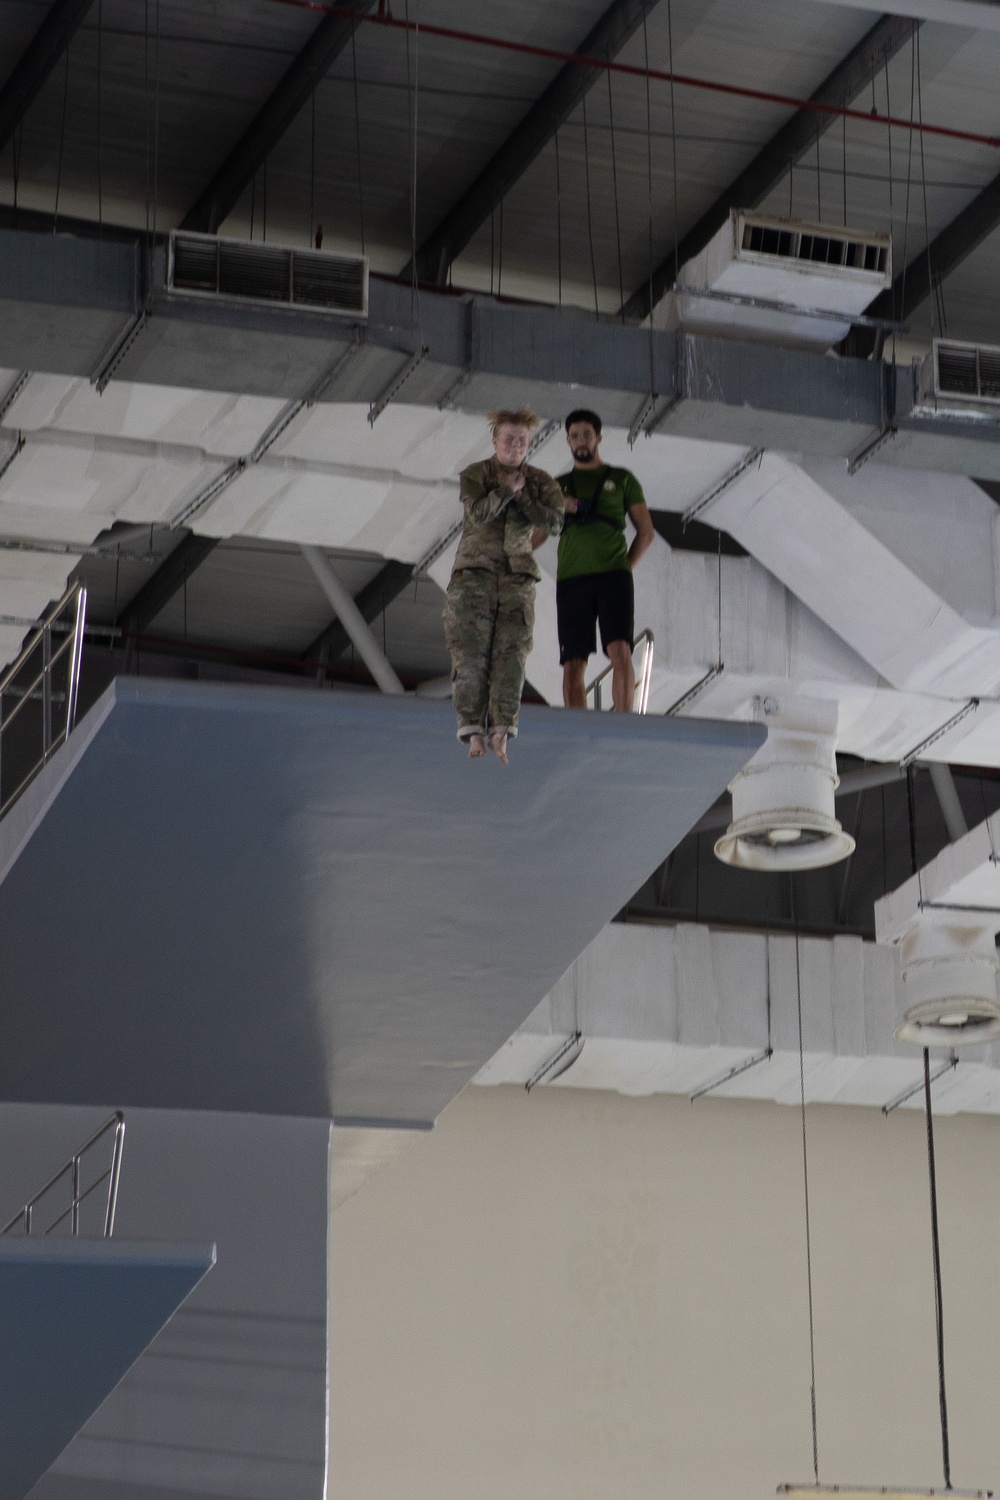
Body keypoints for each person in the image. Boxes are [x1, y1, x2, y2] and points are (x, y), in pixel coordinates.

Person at [443, 407, 564, 763]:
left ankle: (501, 731)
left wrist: (525, 496)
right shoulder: (476, 474)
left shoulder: (542, 482)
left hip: (517, 578)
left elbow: (555, 523)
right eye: (509, 439)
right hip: (474, 575)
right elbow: (477, 513)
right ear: (495, 441)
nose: (515, 445)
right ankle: (472, 729)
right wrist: (507, 492)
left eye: (522, 440)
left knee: (512, 655)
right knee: (470, 653)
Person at [554, 408, 655, 712]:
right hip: (571, 580)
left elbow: (646, 532)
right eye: (574, 436)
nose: (581, 441)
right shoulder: (557, 487)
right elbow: (535, 535)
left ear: (598, 438)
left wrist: (623, 568)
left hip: (613, 577)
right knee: (573, 662)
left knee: (620, 649)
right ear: (568, 441)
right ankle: (577, 725)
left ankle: (624, 719)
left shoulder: (622, 479)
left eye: (586, 435)